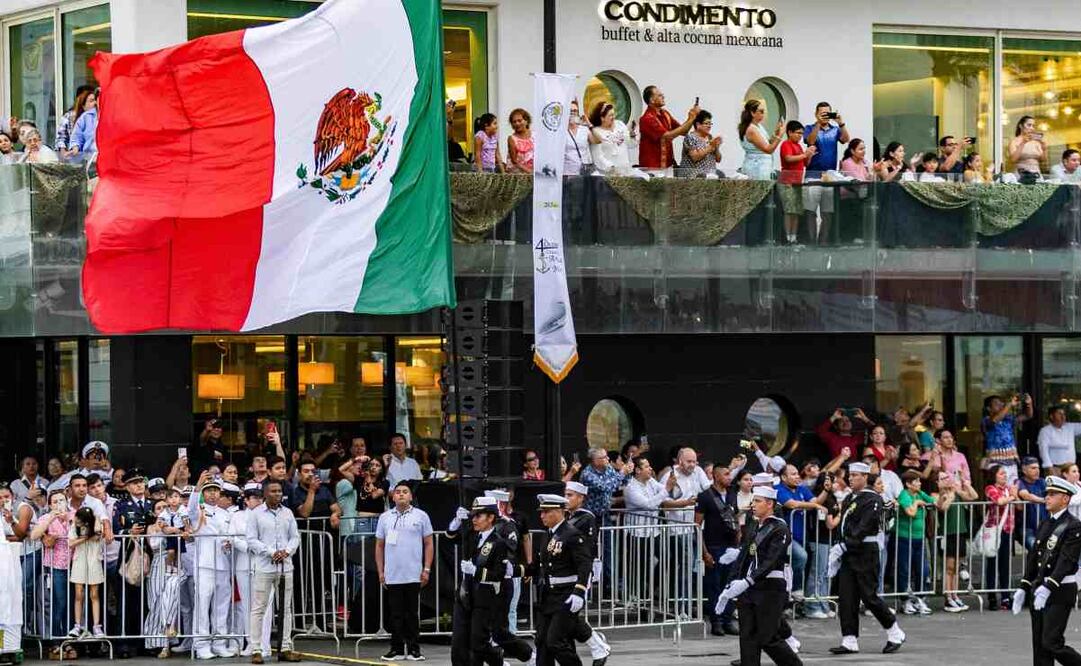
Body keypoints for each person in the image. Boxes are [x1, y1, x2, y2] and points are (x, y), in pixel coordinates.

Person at [715, 484, 802, 666]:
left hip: (770, 588)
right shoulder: (755, 526)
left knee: (768, 637)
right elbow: (744, 558)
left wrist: (747, 581)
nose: (753, 504)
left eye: (758, 501)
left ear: (770, 504)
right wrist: (730, 586)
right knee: (748, 637)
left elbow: (770, 561)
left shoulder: (779, 529)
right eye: (753, 500)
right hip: (750, 588)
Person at [827, 462, 906, 655]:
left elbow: (865, 526)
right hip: (849, 550)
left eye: (855, 475)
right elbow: (844, 524)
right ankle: (849, 638)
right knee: (847, 596)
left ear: (864, 477)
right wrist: (840, 545)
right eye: (850, 475)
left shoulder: (872, 499)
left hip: (865, 550)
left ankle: (894, 631)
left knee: (868, 595)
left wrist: (845, 544)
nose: (851, 478)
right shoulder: (850, 498)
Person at [1010, 475, 1081, 665]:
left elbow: (1066, 560)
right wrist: (1024, 586)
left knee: (1051, 642)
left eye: (1052, 494)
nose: (1047, 498)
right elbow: (1034, 558)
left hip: (1060, 590)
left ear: (1065, 499)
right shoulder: (1045, 523)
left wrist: (1049, 585)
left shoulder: (1073, 526)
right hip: (1039, 590)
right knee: (1040, 647)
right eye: (1046, 494)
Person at [448, 496, 513, 666]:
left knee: (478, 643)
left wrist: (476, 571)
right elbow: (451, 537)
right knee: (459, 642)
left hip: (483, 596)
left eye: (478, 516)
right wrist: (456, 522)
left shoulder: (498, 542)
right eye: (473, 516)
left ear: (491, 517)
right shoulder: (472, 535)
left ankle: (498, 662)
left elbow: (498, 574)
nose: (474, 520)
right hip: (465, 593)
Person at [374, 482, 433, 662]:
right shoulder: (385, 517)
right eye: (398, 492)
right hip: (393, 573)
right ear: (393, 497)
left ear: (410, 496)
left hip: (413, 573)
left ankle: (415, 649)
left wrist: (427, 569)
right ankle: (397, 649)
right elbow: (379, 545)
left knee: (412, 614)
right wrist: (380, 571)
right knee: (395, 614)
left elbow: (429, 543)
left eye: (405, 492)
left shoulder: (421, 516)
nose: (401, 495)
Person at [246, 479, 302, 664]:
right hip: (264, 566)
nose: (277, 494)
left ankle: (285, 647)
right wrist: (271, 552)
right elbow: (252, 539)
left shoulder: (288, 513)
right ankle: (256, 649)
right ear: (265, 494)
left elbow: (295, 537)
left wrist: (286, 551)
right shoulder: (255, 514)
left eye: (279, 491)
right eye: (273, 491)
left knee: (286, 608)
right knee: (259, 608)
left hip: (286, 566)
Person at [532, 493, 592, 666]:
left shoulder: (571, 534)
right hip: (548, 595)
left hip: (566, 594)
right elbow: (540, 565)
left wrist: (579, 591)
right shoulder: (548, 534)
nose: (542, 515)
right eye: (541, 512)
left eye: (546, 511)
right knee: (542, 642)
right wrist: (515, 571)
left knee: (555, 641)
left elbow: (584, 564)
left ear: (559, 511)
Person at [186, 472, 235, 659]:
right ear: (203, 494)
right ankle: (201, 645)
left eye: (216, 491)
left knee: (221, 606)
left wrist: (229, 542)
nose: (213, 494)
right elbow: (190, 509)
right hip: (205, 564)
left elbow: (230, 534)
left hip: (223, 563)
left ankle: (220, 642)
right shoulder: (198, 509)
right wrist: (197, 486)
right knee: (202, 604)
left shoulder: (225, 514)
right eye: (209, 491)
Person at [564, 482, 612, 664]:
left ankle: (598, 645)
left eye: (570, 495)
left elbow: (584, 549)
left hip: (580, 570)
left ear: (581, 498)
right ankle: (596, 646)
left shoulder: (586, 518)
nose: (566, 499)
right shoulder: (566, 516)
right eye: (565, 494)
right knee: (566, 617)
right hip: (565, 569)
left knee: (569, 614)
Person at [695, 463, 741, 635]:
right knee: (714, 586)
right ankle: (716, 621)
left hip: (731, 546)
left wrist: (738, 534)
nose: (729, 477)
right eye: (726, 474)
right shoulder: (705, 496)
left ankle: (728, 619)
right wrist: (704, 551)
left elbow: (735, 516)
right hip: (713, 545)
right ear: (715, 476)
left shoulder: (731, 494)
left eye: (730, 474)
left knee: (730, 584)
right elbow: (697, 526)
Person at [895, 470, 937, 615]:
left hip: (920, 537)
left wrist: (943, 493)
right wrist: (917, 503)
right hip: (904, 537)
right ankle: (905, 601)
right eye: (916, 481)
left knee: (923, 569)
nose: (919, 483)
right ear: (908, 484)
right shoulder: (904, 495)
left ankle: (920, 599)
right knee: (904, 569)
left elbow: (934, 502)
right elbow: (910, 512)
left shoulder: (920, 493)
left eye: (919, 481)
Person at [937, 469, 977, 612]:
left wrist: (965, 484)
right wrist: (951, 495)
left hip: (960, 532)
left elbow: (973, 496)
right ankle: (948, 598)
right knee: (949, 567)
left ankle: (955, 595)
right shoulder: (940, 495)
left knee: (956, 568)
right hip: (948, 534)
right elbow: (943, 507)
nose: (946, 480)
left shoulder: (957, 493)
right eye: (942, 479)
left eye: (947, 477)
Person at [985, 464, 1019, 610]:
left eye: (1005, 474)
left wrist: (1014, 495)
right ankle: (992, 596)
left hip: (1007, 530)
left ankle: (1005, 596)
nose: (1004, 476)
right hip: (994, 529)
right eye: (1001, 474)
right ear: (994, 476)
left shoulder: (1008, 489)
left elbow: (1018, 505)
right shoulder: (990, 488)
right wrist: (1011, 496)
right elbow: (999, 501)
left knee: (1005, 564)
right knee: (992, 563)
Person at [68, 505, 105, 639]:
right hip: (79, 560)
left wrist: (95, 517)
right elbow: (71, 543)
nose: (76, 521)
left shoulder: (96, 524)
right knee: (79, 594)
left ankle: (96, 626)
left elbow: (97, 532)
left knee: (94, 594)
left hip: (94, 560)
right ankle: (77, 625)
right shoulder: (74, 526)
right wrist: (85, 538)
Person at [638, 85, 696, 170]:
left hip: (668, 166)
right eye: (659, 95)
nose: (663, 96)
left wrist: (692, 117)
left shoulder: (665, 114)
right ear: (652, 100)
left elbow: (684, 131)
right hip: (652, 167)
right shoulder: (646, 119)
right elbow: (667, 136)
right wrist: (691, 118)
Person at [982, 393, 1033, 484]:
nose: (1001, 405)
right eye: (997, 404)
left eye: (1002, 403)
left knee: (1013, 489)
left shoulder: (1008, 419)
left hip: (1011, 460)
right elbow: (995, 420)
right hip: (995, 462)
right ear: (989, 408)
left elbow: (1027, 416)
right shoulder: (986, 420)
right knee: (998, 489)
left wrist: (1028, 404)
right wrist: (1009, 404)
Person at [778, 121, 815, 244]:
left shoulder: (799, 146)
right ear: (790, 132)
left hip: (798, 182)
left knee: (797, 211)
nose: (800, 136)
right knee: (789, 210)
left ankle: (794, 236)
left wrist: (809, 155)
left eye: (801, 133)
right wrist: (805, 155)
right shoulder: (786, 144)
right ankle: (787, 236)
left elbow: (806, 164)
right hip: (787, 182)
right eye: (798, 133)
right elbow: (788, 158)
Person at [738, 99, 783, 180]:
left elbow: (767, 143)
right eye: (761, 111)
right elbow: (768, 149)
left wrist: (776, 133)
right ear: (752, 113)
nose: (763, 114)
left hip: (762, 166)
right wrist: (780, 135)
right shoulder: (751, 129)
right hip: (756, 168)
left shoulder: (758, 126)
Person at [588, 102, 634, 176]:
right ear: (602, 118)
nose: (614, 117)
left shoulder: (620, 125)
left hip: (625, 171)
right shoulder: (596, 132)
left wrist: (632, 135)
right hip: (608, 175)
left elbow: (630, 143)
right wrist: (612, 168)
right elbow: (597, 156)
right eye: (610, 115)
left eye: (614, 114)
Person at [1017, 456, 1050, 549]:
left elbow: (1053, 494)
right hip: (1027, 528)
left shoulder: (1042, 482)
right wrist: (1043, 500)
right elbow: (1026, 496)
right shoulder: (1019, 482)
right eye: (1033, 468)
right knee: (1035, 550)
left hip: (1044, 526)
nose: (1037, 471)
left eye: (1038, 468)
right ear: (1024, 470)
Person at [679, 109, 723, 176]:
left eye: (710, 123)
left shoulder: (710, 137)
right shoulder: (690, 137)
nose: (709, 126)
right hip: (692, 179)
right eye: (706, 123)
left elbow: (718, 159)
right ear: (698, 124)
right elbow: (695, 157)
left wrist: (716, 147)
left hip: (709, 178)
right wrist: (710, 146)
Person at [1038, 405, 1081, 474]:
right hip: (1055, 468)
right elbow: (1043, 450)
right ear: (1051, 416)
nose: (1063, 416)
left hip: (1071, 469)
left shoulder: (1070, 427)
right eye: (1059, 414)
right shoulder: (1045, 431)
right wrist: (1049, 467)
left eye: (1064, 414)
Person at [54, 84, 94, 154]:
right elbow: (61, 138)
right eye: (91, 100)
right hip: (75, 157)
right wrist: (65, 154)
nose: (95, 103)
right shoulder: (69, 116)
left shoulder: (98, 117)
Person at [564, 99, 598, 176]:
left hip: (584, 172)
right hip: (568, 172)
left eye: (575, 111)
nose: (572, 113)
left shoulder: (584, 129)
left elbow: (597, 140)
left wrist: (589, 123)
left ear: (578, 113)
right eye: (570, 111)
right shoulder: (561, 131)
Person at [1008, 115, 1047, 181]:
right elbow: (1013, 159)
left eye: (1033, 126)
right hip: (1021, 174)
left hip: (1036, 173)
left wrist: (1044, 148)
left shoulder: (1036, 142)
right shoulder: (1014, 141)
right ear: (1021, 126)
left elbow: (1043, 160)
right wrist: (1023, 143)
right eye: (1029, 125)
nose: (1032, 128)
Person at [68, 89, 98, 157]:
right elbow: (76, 137)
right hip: (89, 158)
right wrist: (75, 148)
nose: (95, 103)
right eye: (91, 101)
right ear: (83, 106)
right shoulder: (85, 117)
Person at [506, 108, 535, 174]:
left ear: (526, 121)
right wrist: (529, 172)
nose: (517, 123)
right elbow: (514, 161)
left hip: (534, 173)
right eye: (514, 122)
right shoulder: (512, 139)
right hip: (518, 174)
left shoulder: (535, 136)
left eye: (519, 121)